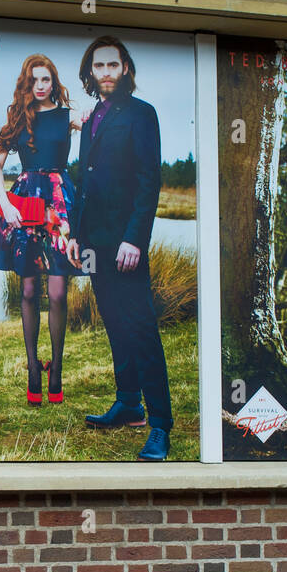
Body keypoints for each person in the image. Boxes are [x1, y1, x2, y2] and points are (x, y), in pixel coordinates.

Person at [65, 36, 172, 461]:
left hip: (126, 242)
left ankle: (161, 425)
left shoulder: (143, 115)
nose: (106, 72)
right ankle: (129, 405)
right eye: (99, 66)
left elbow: (150, 181)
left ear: (125, 68)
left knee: (142, 328)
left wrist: (136, 238)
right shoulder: (91, 118)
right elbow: (83, 182)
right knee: (113, 321)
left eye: (113, 65)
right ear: (90, 72)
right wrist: (75, 234)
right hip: (94, 240)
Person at [0, 55, 81, 406]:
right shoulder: (17, 118)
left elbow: (96, 131)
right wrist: (7, 203)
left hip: (60, 204)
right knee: (28, 291)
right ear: (26, 84)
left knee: (58, 292)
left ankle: (56, 369)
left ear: (53, 81)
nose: (40, 85)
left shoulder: (69, 115)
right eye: (34, 80)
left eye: (45, 79)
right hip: (25, 202)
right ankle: (33, 368)